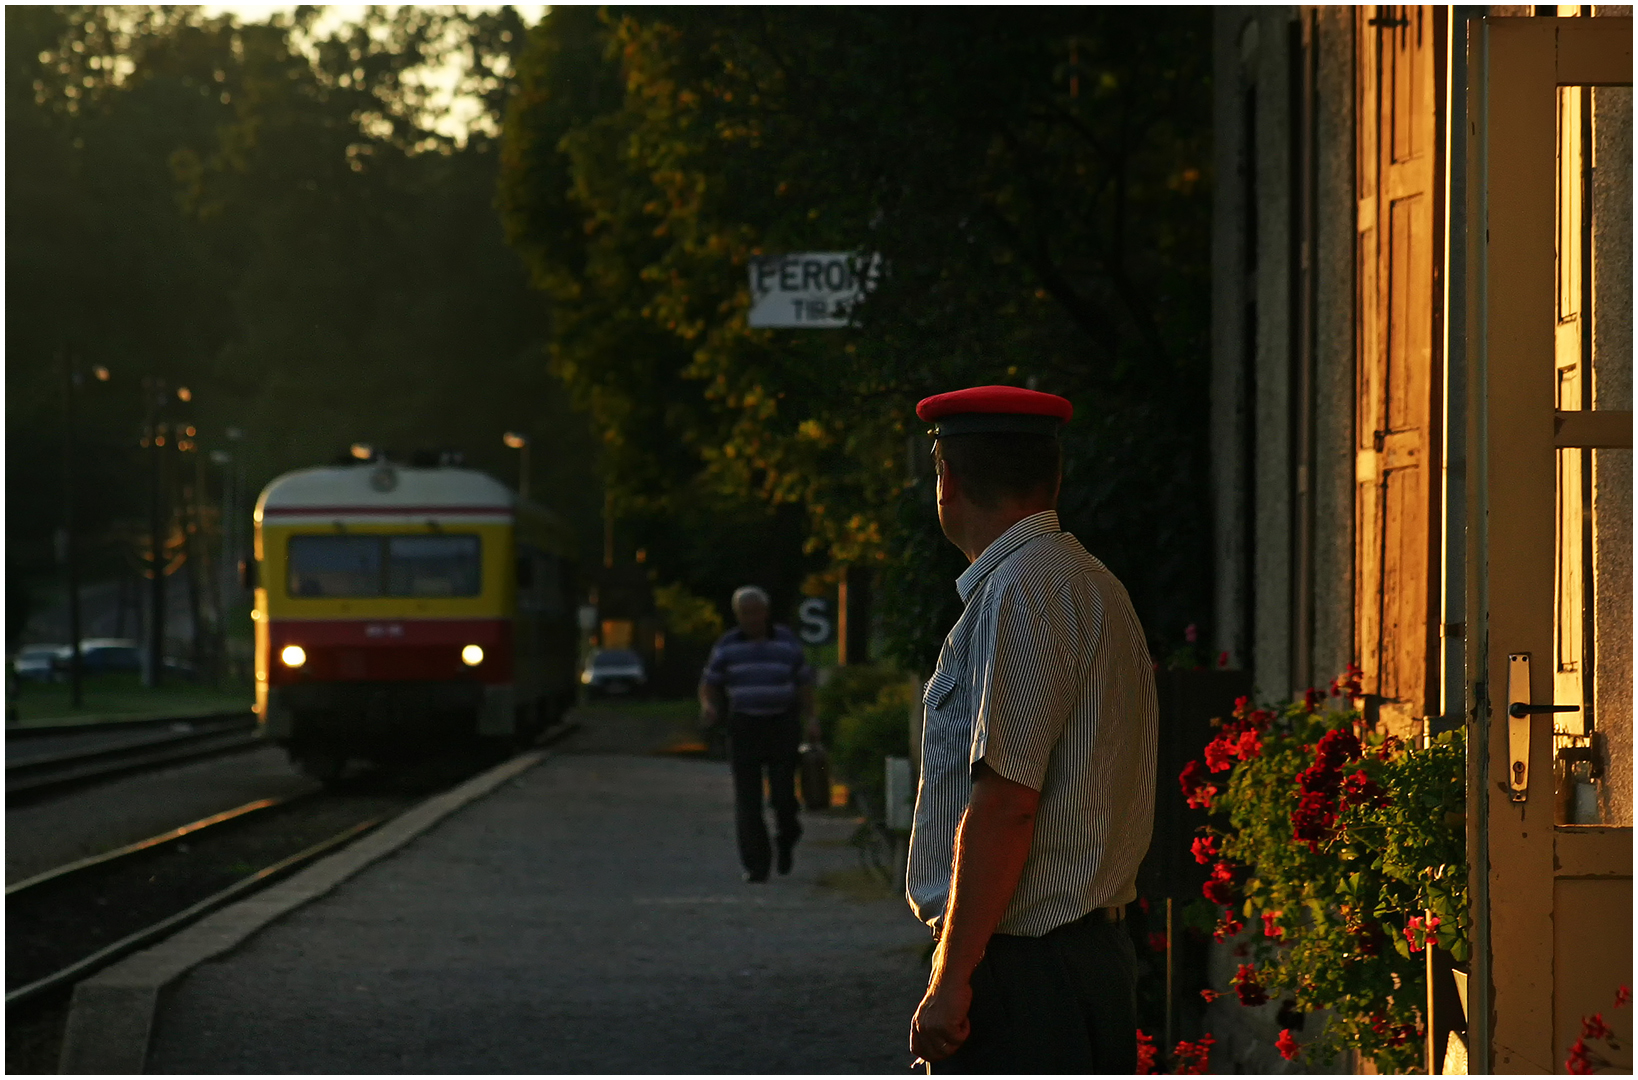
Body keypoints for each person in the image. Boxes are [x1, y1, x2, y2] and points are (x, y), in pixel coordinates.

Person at [905, 385, 1157, 1074]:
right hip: (1076, 958)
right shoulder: (1083, 580)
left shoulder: (1022, 591)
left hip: (1028, 967)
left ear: (947, 479)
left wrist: (953, 977)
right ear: (1054, 476)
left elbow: (1006, 804)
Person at [699, 586, 820, 883]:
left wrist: (812, 718)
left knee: (783, 794)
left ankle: (787, 835)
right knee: (748, 800)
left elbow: (804, 683)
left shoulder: (786, 643)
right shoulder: (727, 645)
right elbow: (709, 682)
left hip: (782, 723)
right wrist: (709, 706)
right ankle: (756, 864)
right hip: (744, 726)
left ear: (765, 613)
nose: (750, 618)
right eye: (744, 613)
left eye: (755, 612)